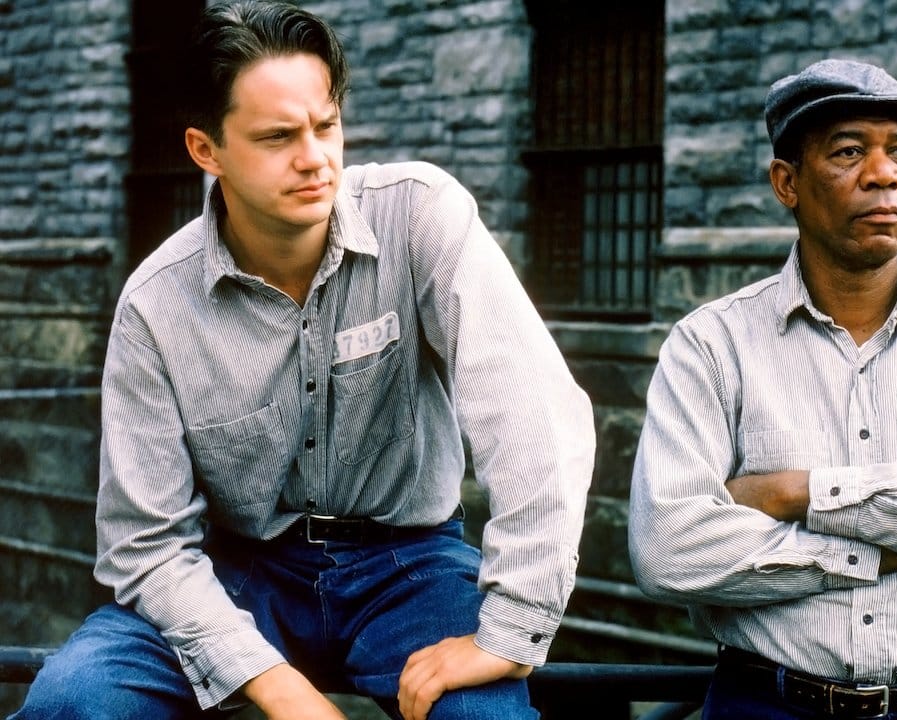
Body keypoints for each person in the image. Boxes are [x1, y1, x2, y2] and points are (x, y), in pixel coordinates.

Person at [13, 2, 594, 719]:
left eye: (326, 126)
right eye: (277, 137)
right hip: (235, 572)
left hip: (411, 566)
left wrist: (511, 631)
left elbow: (533, 413)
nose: (315, 157)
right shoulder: (155, 306)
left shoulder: (421, 216)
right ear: (206, 150)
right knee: (74, 701)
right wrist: (276, 684)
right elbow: (146, 544)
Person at [628, 58, 897, 720]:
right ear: (788, 182)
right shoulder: (712, 345)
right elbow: (669, 550)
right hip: (765, 706)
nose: (885, 173)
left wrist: (794, 493)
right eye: (848, 151)